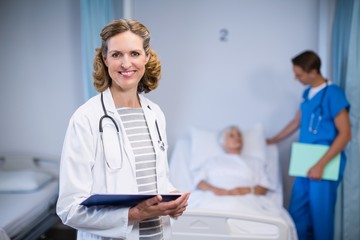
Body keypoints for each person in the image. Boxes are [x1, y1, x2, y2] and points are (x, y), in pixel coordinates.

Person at [56, 19, 190, 240]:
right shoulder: (86, 118)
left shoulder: (155, 113)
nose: (126, 63)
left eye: (135, 53)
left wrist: (172, 199)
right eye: (117, 54)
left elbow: (157, 179)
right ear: (105, 58)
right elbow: (69, 208)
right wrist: (131, 215)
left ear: (146, 57)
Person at [266, 50, 351, 240]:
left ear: (313, 72)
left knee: (320, 217)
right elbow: (296, 122)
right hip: (304, 160)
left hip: (325, 162)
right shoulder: (307, 94)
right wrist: (272, 140)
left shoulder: (334, 93)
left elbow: (345, 135)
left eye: (299, 75)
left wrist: (320, 165)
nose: (296, 79)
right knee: (297, 212)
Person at [196, 126, 273, 197]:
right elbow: (199, 182)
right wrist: (215, 190)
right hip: (214, 198)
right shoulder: (212, 161)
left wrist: (247, 190)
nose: (237, 138)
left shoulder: (256, 162)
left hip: (247, 200)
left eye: (239, 135)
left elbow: (264, 186)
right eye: (231, 135)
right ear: (223, 142)